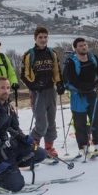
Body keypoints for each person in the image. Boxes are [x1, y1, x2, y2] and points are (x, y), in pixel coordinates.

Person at [0, 77, 46, 192]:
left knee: (40, 153)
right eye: (2, 88)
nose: (6, 91)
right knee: (17, 185)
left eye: (8, 87)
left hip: (8, 148)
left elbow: (15, 129)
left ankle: (11, 167)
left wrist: (24, 138)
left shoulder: (8, 107)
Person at [21, 27, 65, 158]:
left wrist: (60, 83)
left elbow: (57, 70)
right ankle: (32, 149)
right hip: (37, 92)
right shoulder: (29, 54)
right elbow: (23, 75)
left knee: (51, 121)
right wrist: (33, 86)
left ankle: (49, 148)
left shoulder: (52, 53)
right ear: (35, 38)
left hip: (50, 90)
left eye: (45, 37)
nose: (43, 40)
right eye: (40, 37)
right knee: (41, 123)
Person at [63, 37, 98, 156]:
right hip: (78, 95)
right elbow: (72, 80)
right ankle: (83, 147)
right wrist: (87, 87)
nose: (83, 47)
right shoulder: (71, 62)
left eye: (85, 45)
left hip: (92, 93)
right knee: (80, 122)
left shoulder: (93, 58)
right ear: (75, 48)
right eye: (80, 46)